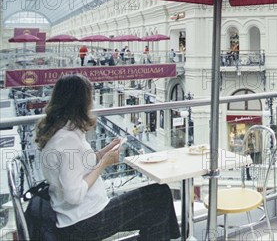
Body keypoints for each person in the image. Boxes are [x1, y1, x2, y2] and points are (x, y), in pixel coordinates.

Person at [35, 74, 180, 240]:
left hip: (78, 216)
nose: (92, 102)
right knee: (159, 195)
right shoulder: (67, 139)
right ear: (80, 102)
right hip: (84, 222)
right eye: (90, 96)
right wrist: (103, 163)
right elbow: (74, 196)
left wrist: (102, 153)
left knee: (157, 204)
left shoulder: (60, 131)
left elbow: (77, 166)